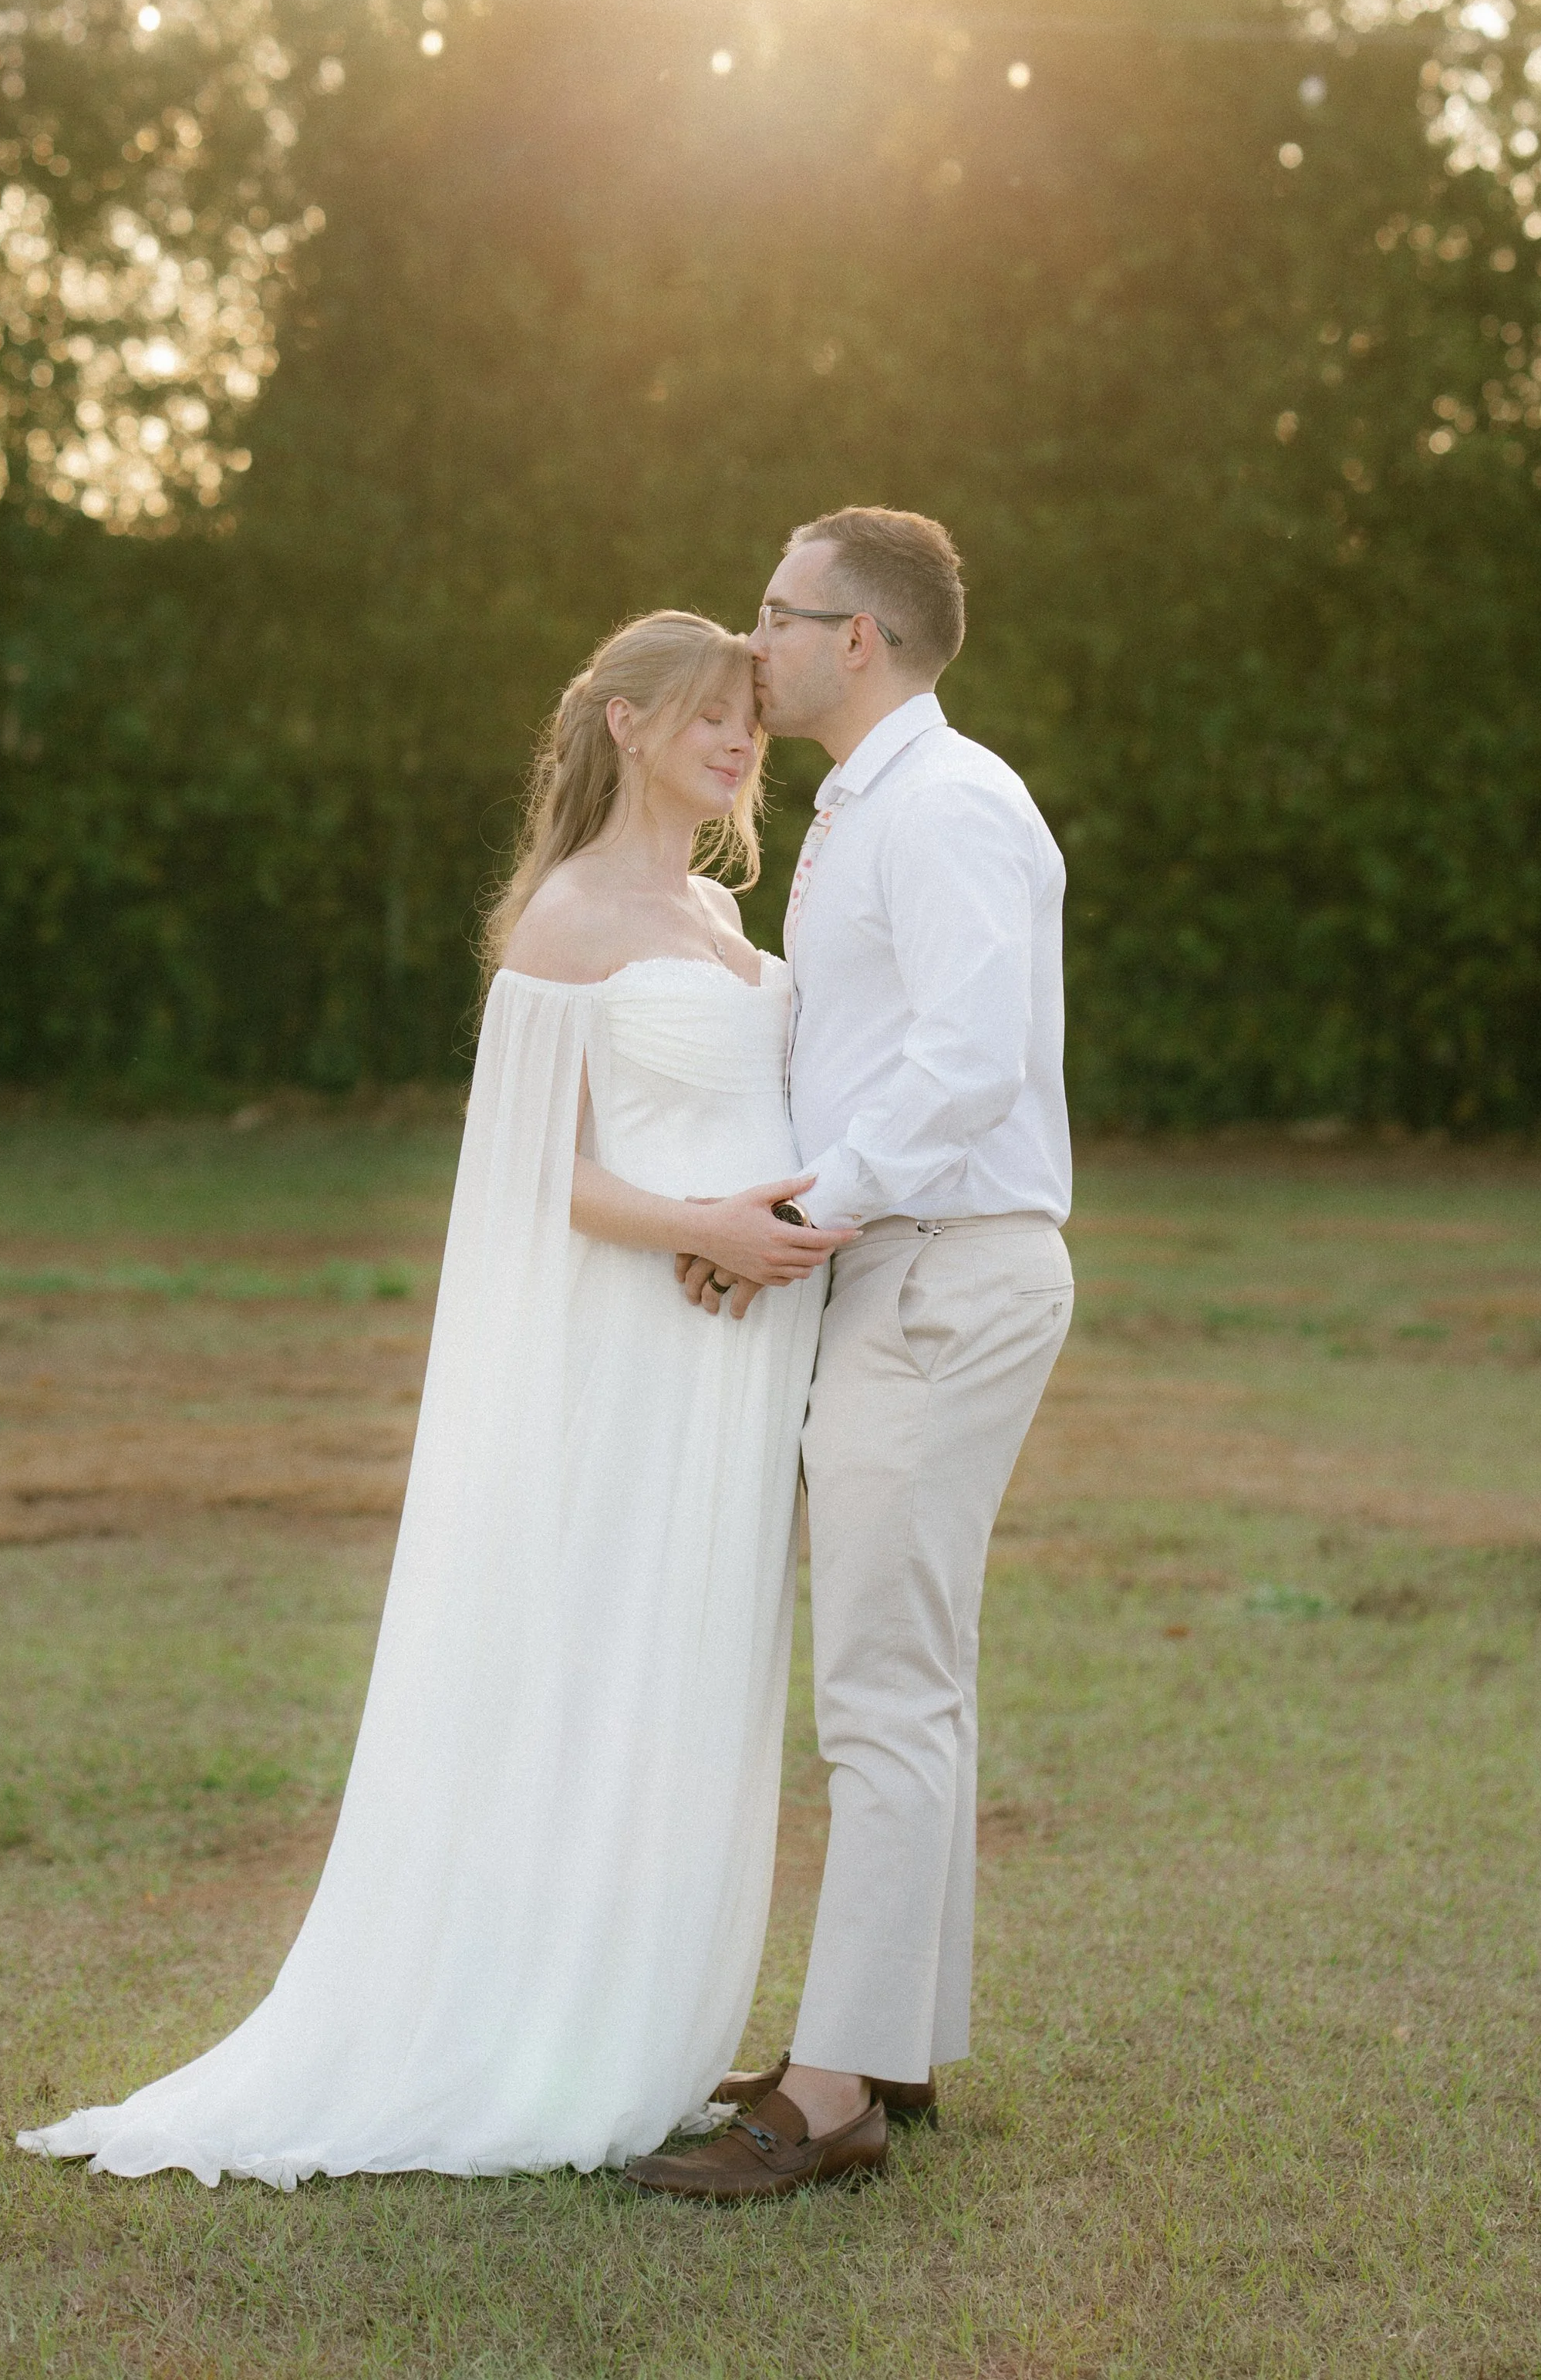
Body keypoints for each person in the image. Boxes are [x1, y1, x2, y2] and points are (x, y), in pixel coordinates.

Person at [15, 610, 855, 2190]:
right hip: (643, 1338)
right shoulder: (566, 918)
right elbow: (526, 1171)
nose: (739, 740)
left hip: (742, 1353)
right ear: (621, 722)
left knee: (693, 1669)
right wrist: (707, 1229)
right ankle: (540, 2027)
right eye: (706, 713)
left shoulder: (717, 904)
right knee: (596, 1661)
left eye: (750, 716)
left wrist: (777, 1232)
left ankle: (647, 2015)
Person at [626, 507, 1073, 2202]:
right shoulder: (867, 805)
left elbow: (968, 1060)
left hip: (938, 1266)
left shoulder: (949, 805)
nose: (755, 643)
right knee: (910, 1671)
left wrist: (805, 1211)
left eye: (776, 613)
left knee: (881, 1687)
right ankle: (891, 2037)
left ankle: (830, 2099)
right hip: (898, 1262)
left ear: (856, 640)